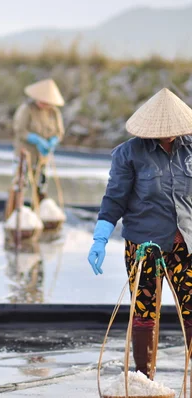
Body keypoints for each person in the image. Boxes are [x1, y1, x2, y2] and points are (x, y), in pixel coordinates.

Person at [88, 88, 192, 378]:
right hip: (145, 246)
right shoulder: (129, 153)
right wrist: (100, 238)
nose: (171, 135)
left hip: (186, 244)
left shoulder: (190, 150)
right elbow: (114, 199)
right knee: (145, 313)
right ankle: (144, 378)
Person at [12, 79, 65, 200]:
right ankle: (17, 211)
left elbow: (59, 132)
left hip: (42, 157)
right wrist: (35, 139)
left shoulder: (54, 112)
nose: (44, 104)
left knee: (41, 185)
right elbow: (19, 129)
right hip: (25, 154)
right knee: (20, 185)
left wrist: (53, 141)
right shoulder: (27, 109)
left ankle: (39, 210)